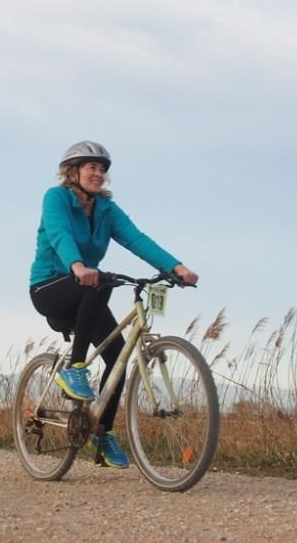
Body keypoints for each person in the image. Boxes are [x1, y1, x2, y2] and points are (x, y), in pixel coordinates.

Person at [28, 141, 199, 469]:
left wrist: (176, 268)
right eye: (91, 167)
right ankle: (74, 369)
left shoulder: (107, 210)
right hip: (50, 286)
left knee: (116, 357)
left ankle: (101, 432)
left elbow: (137, 239)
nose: (98, 174)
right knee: (100, 282)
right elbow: (60, 233)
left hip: (87, 287)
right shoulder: (56, 198)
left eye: (102, 169)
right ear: (73, 172)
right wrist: (77, 266)